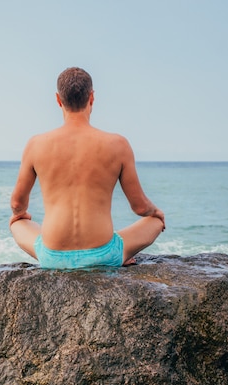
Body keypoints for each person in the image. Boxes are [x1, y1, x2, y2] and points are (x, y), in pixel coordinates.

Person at [9, 67, 165, 269]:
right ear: (92, 98)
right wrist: (156, 212)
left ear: (58, 100)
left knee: (17, 224)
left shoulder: (36, 144)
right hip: (104, 255)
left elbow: (16, 203)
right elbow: (141, 208)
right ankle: (121, 254)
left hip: (52, 256)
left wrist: (20, 214)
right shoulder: (118, 144)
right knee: (155, 221)